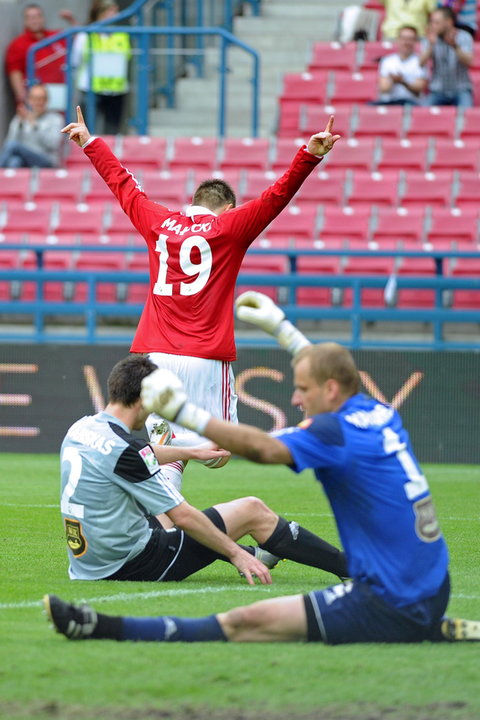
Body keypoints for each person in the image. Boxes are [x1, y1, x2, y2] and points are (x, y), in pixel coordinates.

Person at [44, 293, 479, 643]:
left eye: (302, 389)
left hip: (388, 595)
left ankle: (104, 626)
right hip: (424, 585)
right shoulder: (378, 414)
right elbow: (319, 388)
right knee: (243, 578)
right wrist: (283, 332)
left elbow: (259, 446)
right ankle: (260, 556)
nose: (295, 400)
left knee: (245, 614)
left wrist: (191, 420)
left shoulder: (82, 427)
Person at [60, 106, 340, 492]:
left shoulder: (157, 221)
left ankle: (161, 525)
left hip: (154, 357)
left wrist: (90, 142)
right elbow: (277, 196)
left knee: (165, 450)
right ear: (228, 207)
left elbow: (122, 183)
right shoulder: (231, 226)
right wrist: (310, 154)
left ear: (193, 201)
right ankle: (207, 531)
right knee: (219, 454)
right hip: (206, 358)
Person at [56, 352, 348, 585]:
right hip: (133, 563)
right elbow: (182, 515)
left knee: (162, 513)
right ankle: (350, 568)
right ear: (145, 399)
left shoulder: (82, 428)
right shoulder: (127, 452)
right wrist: (236, 555)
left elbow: (139, 452)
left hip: (88, 561)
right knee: (252, 510)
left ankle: (256, 550)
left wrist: (191, 452)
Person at [70, 0, 131, 135]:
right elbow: (75, 62)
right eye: (112, 11)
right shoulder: (85, 35)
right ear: (101, 13)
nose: (117, 14)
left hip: (115, 90)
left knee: (112, 132)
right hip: (90, 89)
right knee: (88, 132)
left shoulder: (122, 35)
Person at [5, 3, 77, 109]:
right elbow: (15, 72)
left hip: (59, 96)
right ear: (25, 21)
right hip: (36, 100)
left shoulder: (55, 36)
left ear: (43, 18)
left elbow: (78, 37)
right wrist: (23, 100)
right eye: (30, 17)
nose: (35, 20)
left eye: (38, 16)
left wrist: (71, 20)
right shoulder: (18, 44)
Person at [420, 6, 474, 106]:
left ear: (448, 22)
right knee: (422, 113)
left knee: (468, 115)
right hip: (437, 90)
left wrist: (455, 46)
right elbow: (420, 63)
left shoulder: (464, 36)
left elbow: (469, 61)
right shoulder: (430, 38)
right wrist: (431, 45)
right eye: (431, 22)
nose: (432, 26)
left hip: (461, 89)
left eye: (436, 23)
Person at [0, 84, 64, 168]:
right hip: (24, 160)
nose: (37, 102)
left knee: (13, 145)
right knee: (14, 162)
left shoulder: (56, 119)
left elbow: (52, 144)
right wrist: (20, 124)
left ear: (47, 101)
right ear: (29, 100)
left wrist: (34, 125)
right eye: (34, 99)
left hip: (46, 160)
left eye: (41, 99)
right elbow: (9, 142)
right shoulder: (20, 118)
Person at [374, 25, 428, 105]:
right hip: (389, 102)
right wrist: (393, 80)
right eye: (403, 38)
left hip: (411, 102)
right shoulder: (387, 61)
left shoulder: (420, 61)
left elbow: (419, 88)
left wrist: (403, 81)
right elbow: (383, 88)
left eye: (410, 39)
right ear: (398, 40)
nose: (406, 42)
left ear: (415, 41)